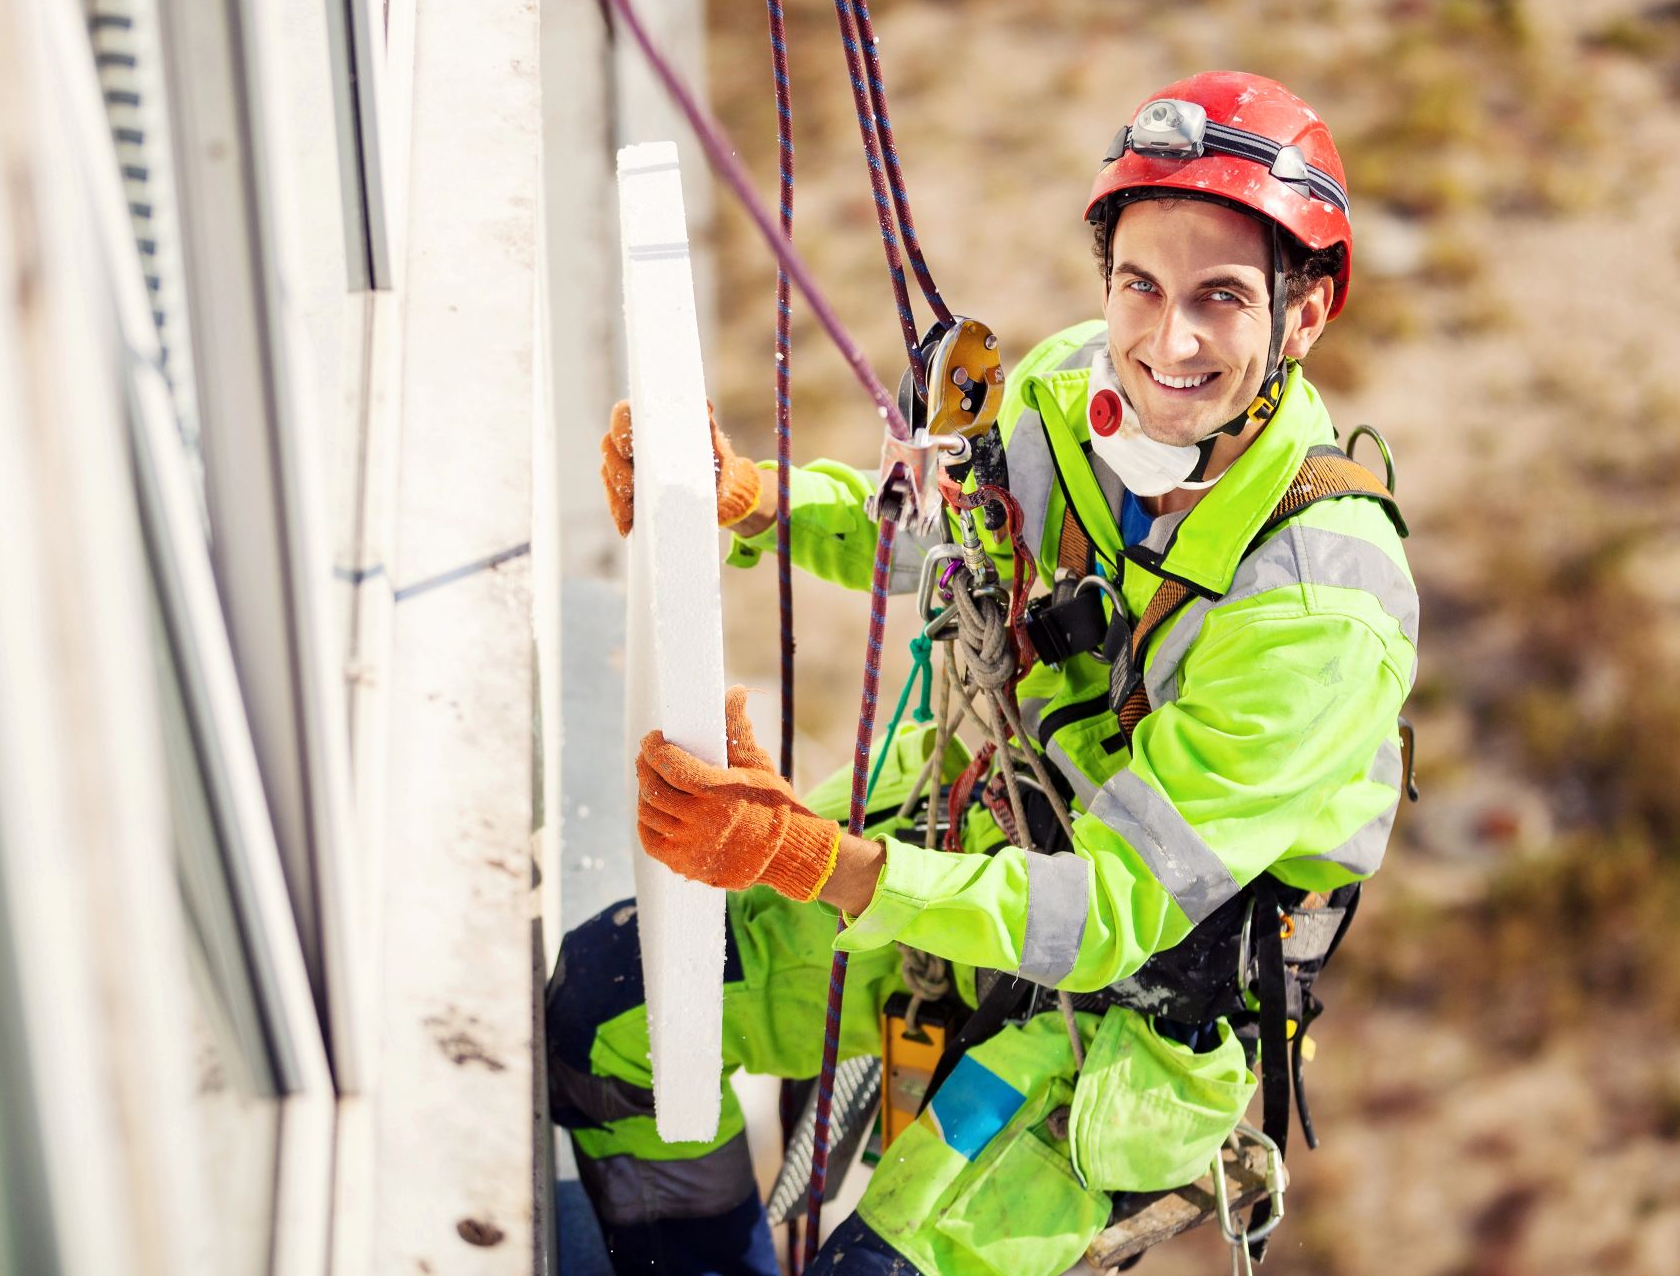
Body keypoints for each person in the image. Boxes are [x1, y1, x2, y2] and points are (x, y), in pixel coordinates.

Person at [550, 71, 1417, 1276]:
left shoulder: (1320, 608)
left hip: (1127, 1024)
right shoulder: (1070, 395)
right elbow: (940, 538)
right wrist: (750, 503)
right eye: (1139, 286)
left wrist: (827, 864)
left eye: (1218, 299)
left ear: (1305, 310)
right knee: (604, 1012)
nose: (1165, 342)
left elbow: (1108, 909)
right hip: (962, 869)